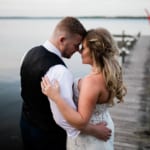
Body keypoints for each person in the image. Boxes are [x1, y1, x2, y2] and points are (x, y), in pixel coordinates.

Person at [20, 17, 111, 150]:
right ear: (62, 40)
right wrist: (95, 130)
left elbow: (25, 90)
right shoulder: (60, 71)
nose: (77, 50)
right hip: (48, 137)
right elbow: (64, 119)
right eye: (76, 45)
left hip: (25, 124)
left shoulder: (28, 53)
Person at [41, 27, 127, 150]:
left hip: (90, 138)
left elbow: (80, 121)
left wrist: (56, 97)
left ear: (94, 51)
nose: (79, 52)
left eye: (83, 48)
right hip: (105, 123)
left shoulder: (91, 82)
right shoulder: (109, 74)